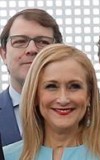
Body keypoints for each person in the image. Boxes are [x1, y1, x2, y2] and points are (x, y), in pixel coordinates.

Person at [0, 8, 62, 146]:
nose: (32, 49)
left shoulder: (82, 115)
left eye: (43, 42)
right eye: (20, 41)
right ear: (3, 54)